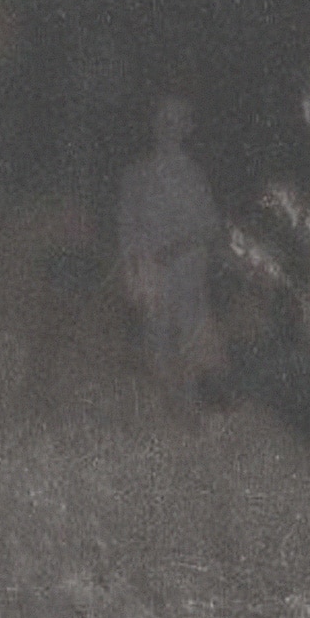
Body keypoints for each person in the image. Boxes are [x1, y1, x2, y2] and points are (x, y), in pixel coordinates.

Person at [117, 96, 226, 409]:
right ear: (155, 125)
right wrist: (134, 269)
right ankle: (160, 407)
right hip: (152, 274)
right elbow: (127, 227)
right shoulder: (137, 174)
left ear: (187, 128)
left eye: (177, 121)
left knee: (190, 340)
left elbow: (210, 226)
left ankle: (189, 406)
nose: (169, 128)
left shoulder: (194, 176)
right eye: (164, 120)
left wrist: (179, 248)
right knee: (156, 338)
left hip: (188, 272)